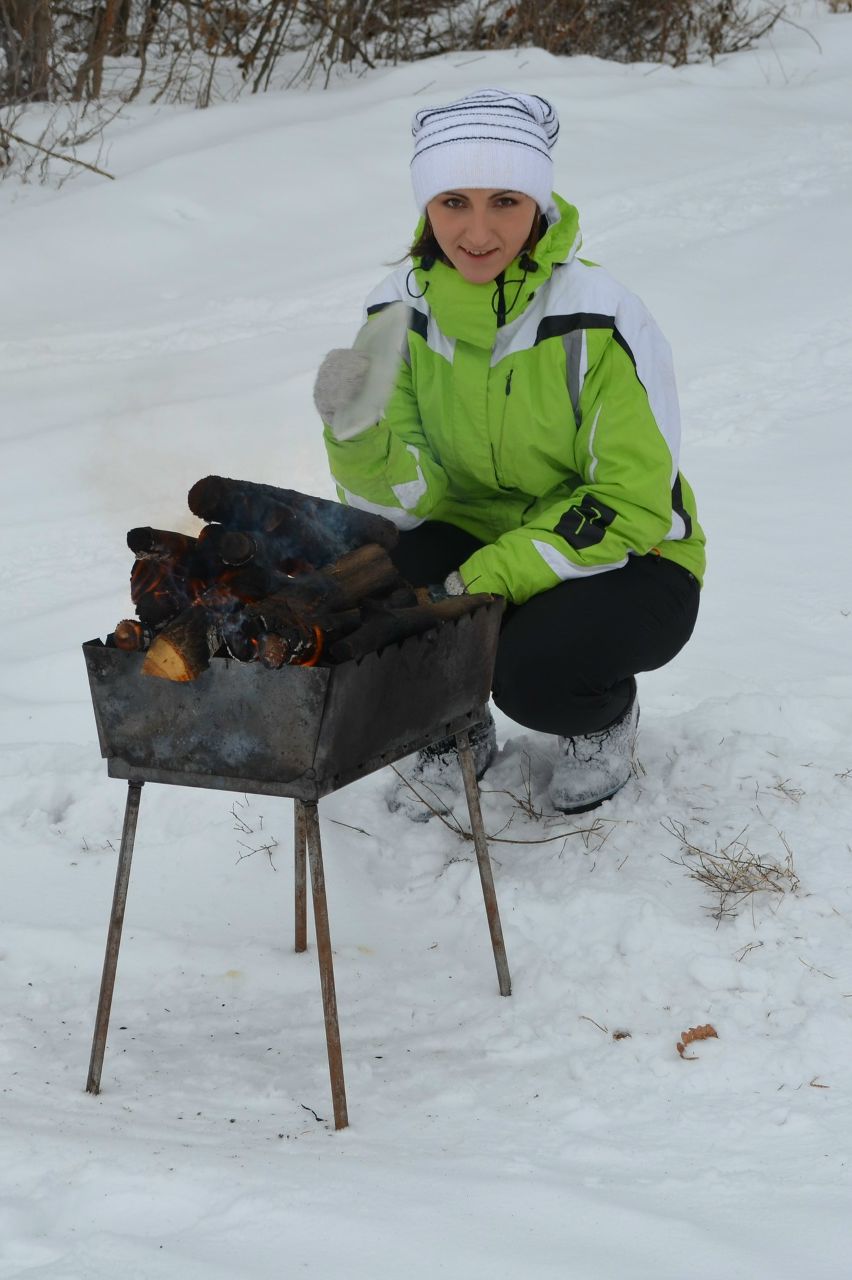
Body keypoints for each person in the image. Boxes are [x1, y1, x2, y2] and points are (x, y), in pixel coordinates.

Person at [313, 88, 705, 813]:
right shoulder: (393, 311)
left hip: (630, 554)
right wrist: (357, 435)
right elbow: (404, 508)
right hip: (474, 532)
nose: (479, 230)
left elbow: (631, 500)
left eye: (505, 200)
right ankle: (449, 729)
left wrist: (495, 572)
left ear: (539, 204)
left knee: (532, 671)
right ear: (427, 209)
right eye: (453, 201)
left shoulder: (601, 316)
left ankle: (600, 723)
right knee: (370, 594)